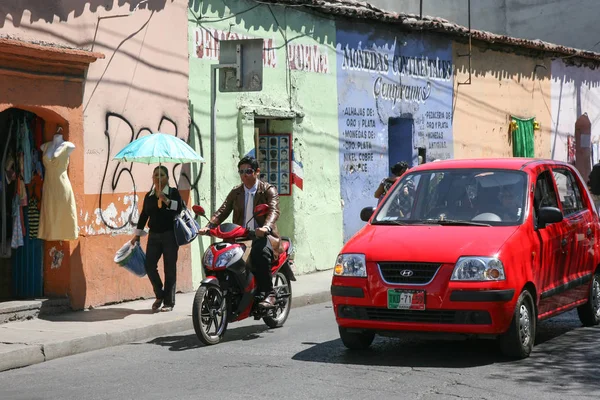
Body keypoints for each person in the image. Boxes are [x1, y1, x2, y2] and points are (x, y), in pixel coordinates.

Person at [199, 156, 281, 307]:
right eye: (241, 171)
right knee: (218, 254)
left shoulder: (268, 190)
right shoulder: (236, 192)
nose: (244, 175)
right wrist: (209, 226)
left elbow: (273, 210)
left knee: (260, 253)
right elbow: (223, 210)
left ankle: (269, 293)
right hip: (239, 235)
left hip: (263, 236)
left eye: (248, 171)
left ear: (257, 172)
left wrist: (266, 227)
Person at [131, 166, 183, 312]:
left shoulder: (173, 193)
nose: (158, 178)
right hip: (154, 235)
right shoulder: (149, 196)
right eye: (156, 175)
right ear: (152, 178)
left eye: (161, 175)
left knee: (169, 268)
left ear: (167, 178)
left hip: (170, 235)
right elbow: (144, 215)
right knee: (149, 265)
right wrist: (137, 235)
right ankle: (159, 294)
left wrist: (165, 199)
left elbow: (178, 208)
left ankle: (169, 302)